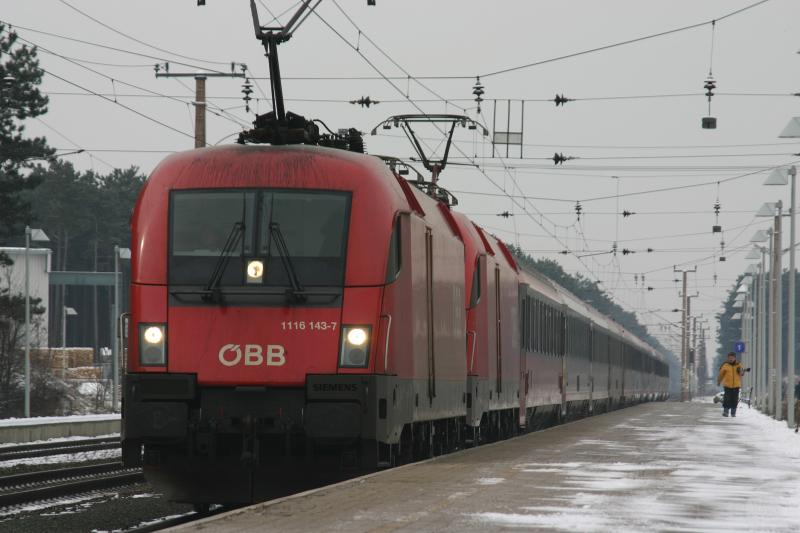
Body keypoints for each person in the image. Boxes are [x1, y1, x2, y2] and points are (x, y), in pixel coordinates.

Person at [717, 352, 745, 417]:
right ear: (727, 358)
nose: (731, 359)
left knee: (734, 399)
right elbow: (721, 375)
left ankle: (733, 412)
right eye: (729, 358)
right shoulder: (725, 365)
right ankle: (726, 411)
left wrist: (741, 371)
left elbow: (742, 373)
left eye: (732, 358)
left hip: (736, 385)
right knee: (727, 399)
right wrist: (719, 381)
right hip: (727, 385)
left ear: (735, 358)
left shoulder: (738, 365)